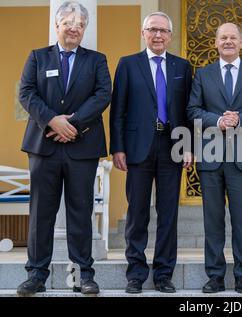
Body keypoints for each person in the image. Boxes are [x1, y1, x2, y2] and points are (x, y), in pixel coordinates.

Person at [17, 1, 111, 296]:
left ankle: (84, 275)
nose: (74, 28)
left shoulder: (96, 60)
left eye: (80, 24)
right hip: (43, 146)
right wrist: (52, 121)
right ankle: (36, 275)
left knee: (80, 211)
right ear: (57, 26)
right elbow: (26, 93)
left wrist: (73, 124)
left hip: (82, 146)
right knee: (41, 212)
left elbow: (102, 94)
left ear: (84, 30)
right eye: (68, 22)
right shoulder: (38, 57)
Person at [110, 12, 193, 294]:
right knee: (137, 212)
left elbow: (188, 112)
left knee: (168, 213)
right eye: (152, 30)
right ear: (143, 33)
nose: (158, 35)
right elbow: (118, 110)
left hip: (172, 145)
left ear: (170, 35)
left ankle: (163, 275)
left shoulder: (183, 66)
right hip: (137, 147)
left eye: (163, 31)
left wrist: (188, 145)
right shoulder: (128, 64)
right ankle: (135, 274)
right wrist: (117, 147)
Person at [187, 23, 242, 293]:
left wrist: (240, 119)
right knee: (212, 220)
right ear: (215, 43)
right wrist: (219, 120)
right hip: (210, 156)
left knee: (241, 220)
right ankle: (215, 276)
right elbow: (193, 110)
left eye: (233, 37)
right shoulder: (203, 74)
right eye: (222, 37)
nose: (228, 42)